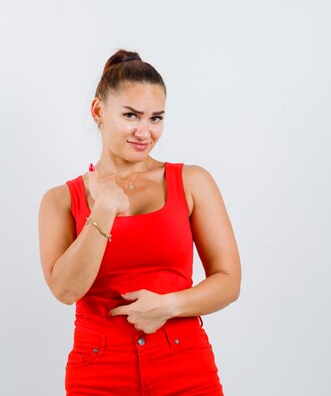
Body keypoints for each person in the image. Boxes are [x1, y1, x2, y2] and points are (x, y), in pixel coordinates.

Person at [38, 49, 241, 396]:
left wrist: (168, 305)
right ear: (99, 111)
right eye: (131, 115)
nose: (144, 132)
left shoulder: (192, 182)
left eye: (156, 118)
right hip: (99, 372)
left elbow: (228, 281)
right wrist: (103, 210)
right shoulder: (59, 200)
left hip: (185, 365)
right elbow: (66, 290)